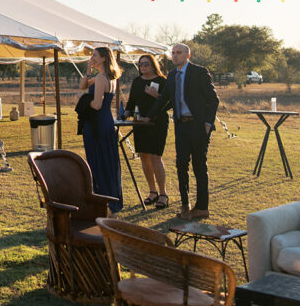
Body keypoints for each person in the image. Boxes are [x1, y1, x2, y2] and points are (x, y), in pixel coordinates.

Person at [144, 43, 219, 221]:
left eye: (179, 53)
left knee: (199, 167)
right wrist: (149, 116)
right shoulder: (172, 75)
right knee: (181, 165)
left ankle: (202, 208)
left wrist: (208, 123)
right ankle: (185, 206)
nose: (175, 56)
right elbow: (164, 99)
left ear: (187, 55)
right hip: (181, 126)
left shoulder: (199, 72)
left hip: (199, 126)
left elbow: (213, 100)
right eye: (173, 53)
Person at [78, 47, 122, 213]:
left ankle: (105, 202)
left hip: (97, 123)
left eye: (94, 56)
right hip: (105, 122)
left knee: (98, 161)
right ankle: (108, 200)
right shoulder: (106, 77)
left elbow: (96, 105)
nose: (92, 58)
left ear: (103, 58)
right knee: (107, 161)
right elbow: (83, 85)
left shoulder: (102, 78)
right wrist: (88, 71)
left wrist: (81, 100)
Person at [124, 55, 169, 208]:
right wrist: (126, 113)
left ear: (153, 65)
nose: (143, 67)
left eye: (146, 64)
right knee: (143, 156)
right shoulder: (137, 81)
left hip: (157, 123)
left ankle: (163, 194)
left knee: (155, 157)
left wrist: (157, 96)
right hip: (140, 122)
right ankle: (152, 192)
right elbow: (131, 101)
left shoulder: (162, 81)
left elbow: (168, 103)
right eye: (140, 64)